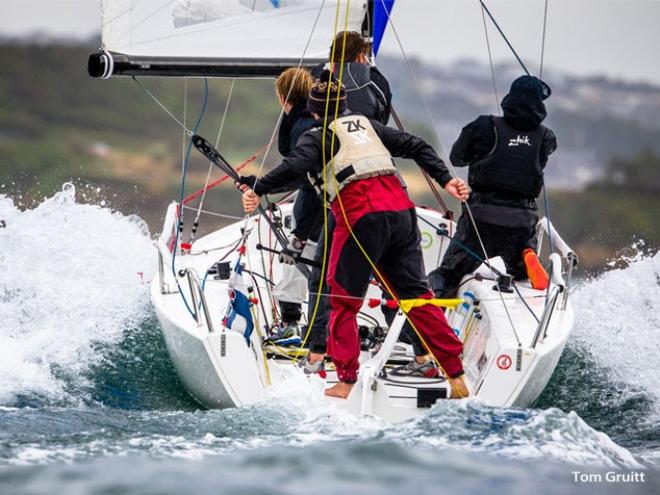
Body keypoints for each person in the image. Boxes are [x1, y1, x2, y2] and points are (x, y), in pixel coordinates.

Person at [239, 71, 470, 399]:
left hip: (362, 215)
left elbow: (294, 167)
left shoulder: (319, 136)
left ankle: (345, 381)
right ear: (346, 105)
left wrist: (258, 188)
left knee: (341, 299)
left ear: (314, 111)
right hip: (402, 213)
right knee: (417, 297)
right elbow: (416, 145)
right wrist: (447, 180)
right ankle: (457, 376)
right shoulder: (366, 125)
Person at [428, 75, 558, 298]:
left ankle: (429, 319)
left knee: (447, 274)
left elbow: (457, 158)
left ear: (510, 98)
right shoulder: (546, 137)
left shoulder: (485, 126)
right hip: (522, 220)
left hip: (481, 218)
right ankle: (525, 259)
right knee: (517, 274)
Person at [267, 67, 318, 345]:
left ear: (282, 95)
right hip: (334, 205)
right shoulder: (312, 119)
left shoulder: (301, 126)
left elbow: (300, 172)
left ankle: (290, 325)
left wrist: (261, 186)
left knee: (296, 253)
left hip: (317, 206)